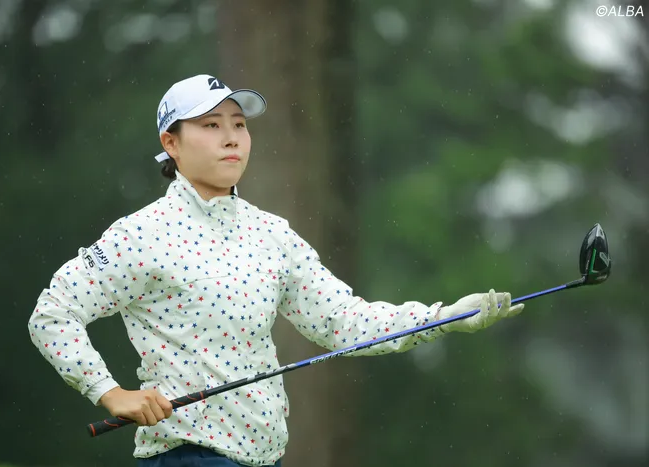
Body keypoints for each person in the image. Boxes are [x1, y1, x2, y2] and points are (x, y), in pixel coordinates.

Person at [27, 74, 525, 467]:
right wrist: (109, 392)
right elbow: (52, 314)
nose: (231, 137)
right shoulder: (142, 234)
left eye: (238, 124)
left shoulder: (272, 235)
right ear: (171, 143)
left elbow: (345, 322)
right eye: (210, 125)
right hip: (187, 456)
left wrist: (445, 317)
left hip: (266, 457)